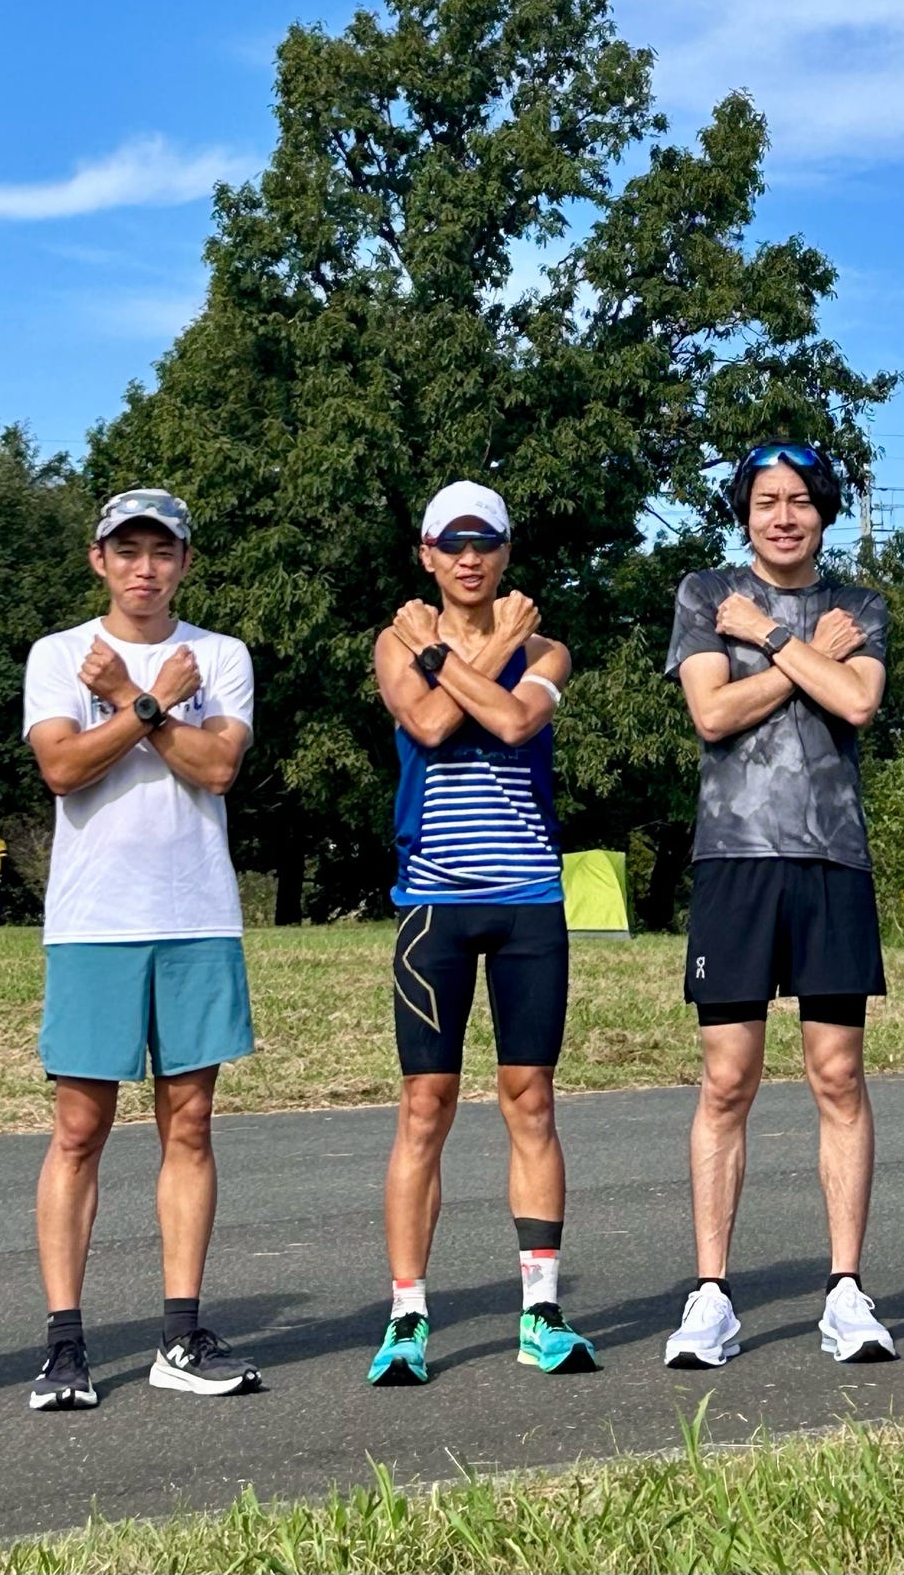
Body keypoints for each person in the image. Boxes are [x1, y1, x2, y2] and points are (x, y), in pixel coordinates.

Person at [22, 487, 260, 1411]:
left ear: (185, 563)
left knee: (188, 1125)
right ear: (99, 560)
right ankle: (64, 1347)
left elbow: (218, 767)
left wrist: (127, 702)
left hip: (196, 914)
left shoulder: (220, 655)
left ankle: (179, 1335)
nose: (145, 568)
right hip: (94, 923)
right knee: (78, 1131)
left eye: (162, 552)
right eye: (127, 551)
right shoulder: (59, 654)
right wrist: (153, 704)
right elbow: (62, 767)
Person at [660, 443, 896, 1370]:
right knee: (728, 1079)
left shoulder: (859, 606)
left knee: (837, 1075)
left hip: (832, 860)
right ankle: (711, 1294)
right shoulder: (706, 594)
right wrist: (801, 654)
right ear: (746, 513)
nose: (784, 516)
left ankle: (846, 1291)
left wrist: (768, 638)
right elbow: (711, 716)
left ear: (824, 512)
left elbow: (859, 703)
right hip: (735, 860)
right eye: (766, 502)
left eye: (800, 500)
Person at [366, 482, 598, 1387]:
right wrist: (463, 652)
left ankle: (541, 1311)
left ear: (505, 552)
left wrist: (456, 653)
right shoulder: (395, 642)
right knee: (425, 1106)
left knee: (530, 1099)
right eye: (452, 544)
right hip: (434, 902)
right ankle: (407, 1317)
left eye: (486, 543)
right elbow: (427, 725)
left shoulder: (546, 650)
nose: (470, 559)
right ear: (426, 553)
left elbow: (512, 719)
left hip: (529, 898)